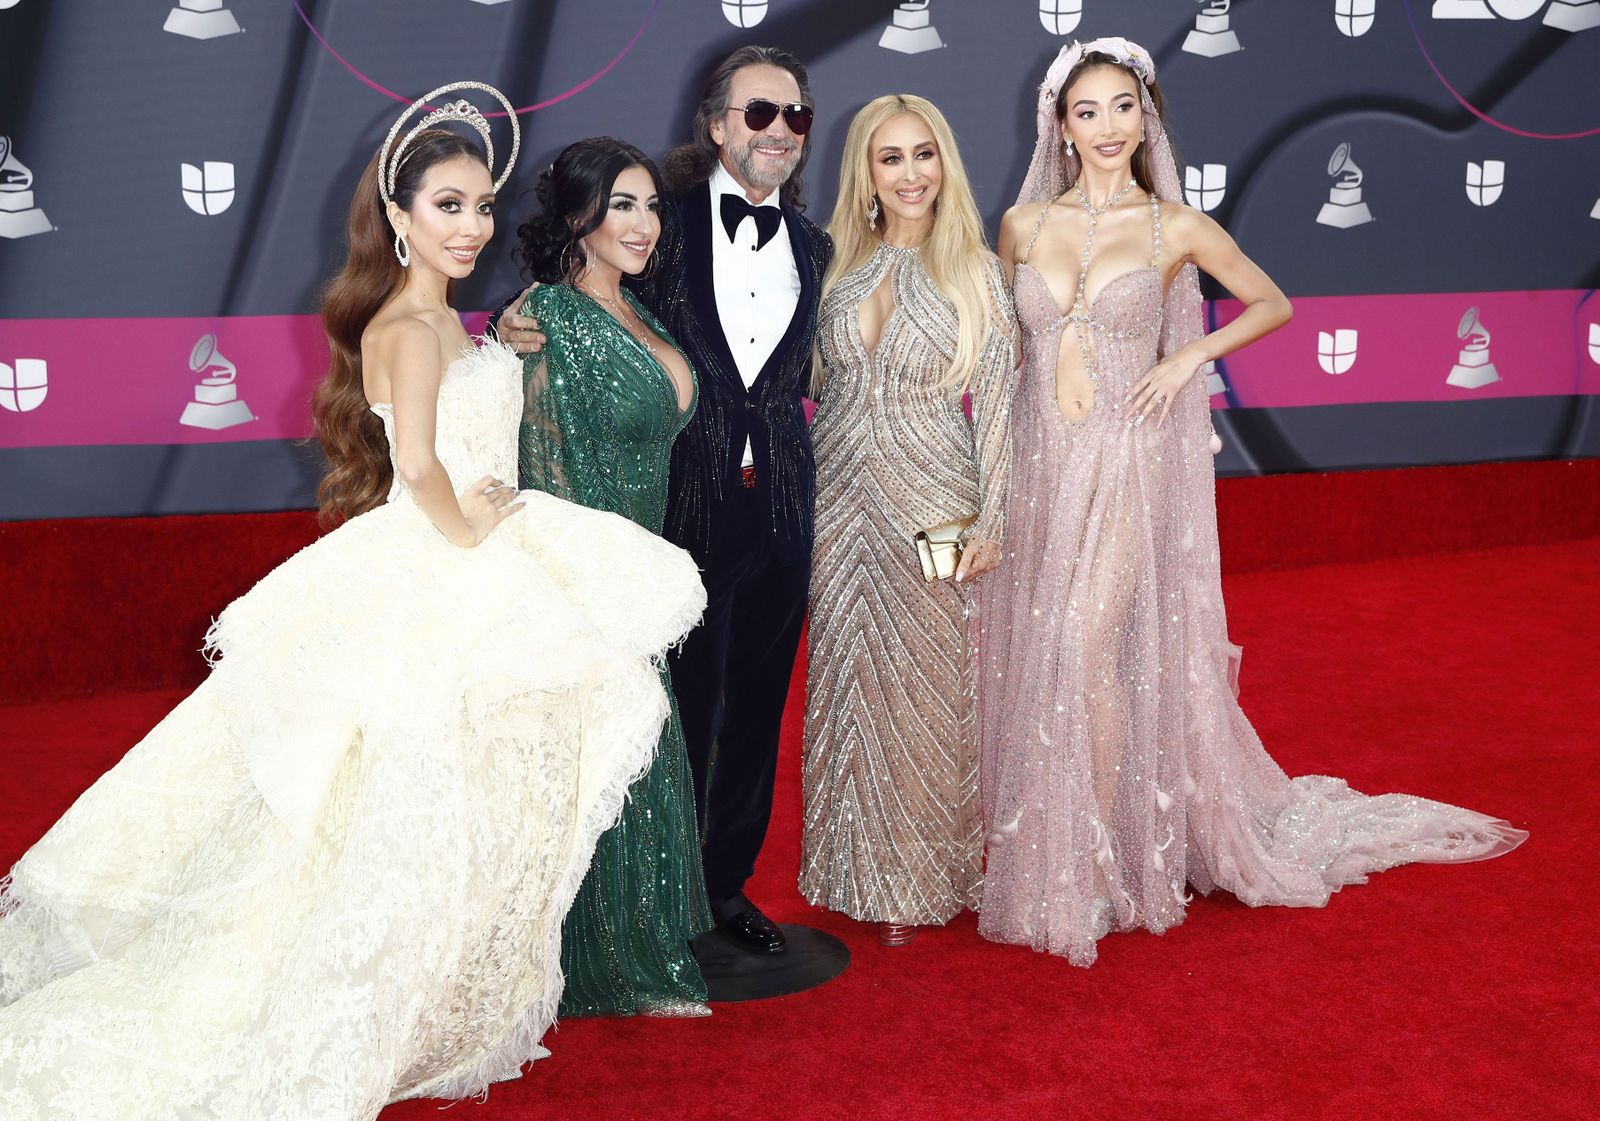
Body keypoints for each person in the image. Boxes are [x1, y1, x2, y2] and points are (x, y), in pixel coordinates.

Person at [0, 84, 706, 1119]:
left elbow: (462, 421)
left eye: (480, 207)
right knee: (406, 799)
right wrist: (470, 526)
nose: (470, 226)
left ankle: (425, 984)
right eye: (447, 206)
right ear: (399, 214)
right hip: (443, 561)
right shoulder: (410, 325)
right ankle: (365, 990)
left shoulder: (447, 320)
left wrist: (502, 362)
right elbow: (417, 461)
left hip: (464, 556)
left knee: (450, 795)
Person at [975, 39, 1526, 967]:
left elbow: (1272, 302)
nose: (1107, 127)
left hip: (1129, 459)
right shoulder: (1021, 225)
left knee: (1085, 642)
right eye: (1087, 111)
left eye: (1122, 107)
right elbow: (1004, 356)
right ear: (1060, 127)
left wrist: (1188, 356)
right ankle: (1053, 840)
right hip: (1041, 467)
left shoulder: (1175, 227)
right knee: (1047, 646)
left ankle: (1101, 859)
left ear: (1146, 117)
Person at [498, 46, 831, 954]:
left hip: (784, 501)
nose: (779, 131)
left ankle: (725, 886)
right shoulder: (660, 220)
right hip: (683, 502)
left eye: (796, 116)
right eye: (759, 112)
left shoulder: (814, 245)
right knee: (676, 703)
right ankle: (658, 892)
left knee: (759, 704)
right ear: (718, 124)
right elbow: (584, 298)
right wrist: (511, 321)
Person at [799, 95, 1015, 947]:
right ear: (866, 172)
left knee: (927, 693)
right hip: (838, 503)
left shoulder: (976, 271)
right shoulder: (834, 270)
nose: (911, 173)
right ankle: (852, 870)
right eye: (891, 157)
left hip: (939, 504)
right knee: (847, 683)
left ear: (945, 163)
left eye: (924, 153)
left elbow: (998, 405)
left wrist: (993, 518)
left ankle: (922, 877)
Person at [512, 137, 711, 1016]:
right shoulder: (548, 315)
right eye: (621, 205)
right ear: (575, 216)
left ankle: (634, 942)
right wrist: (585, 599)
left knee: (636, 752)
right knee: (603, 754)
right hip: (592, 586)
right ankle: (594, 957)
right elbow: (537, 462)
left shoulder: (635, 307)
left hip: (639, 576)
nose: (644, 223)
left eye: (651, 205)